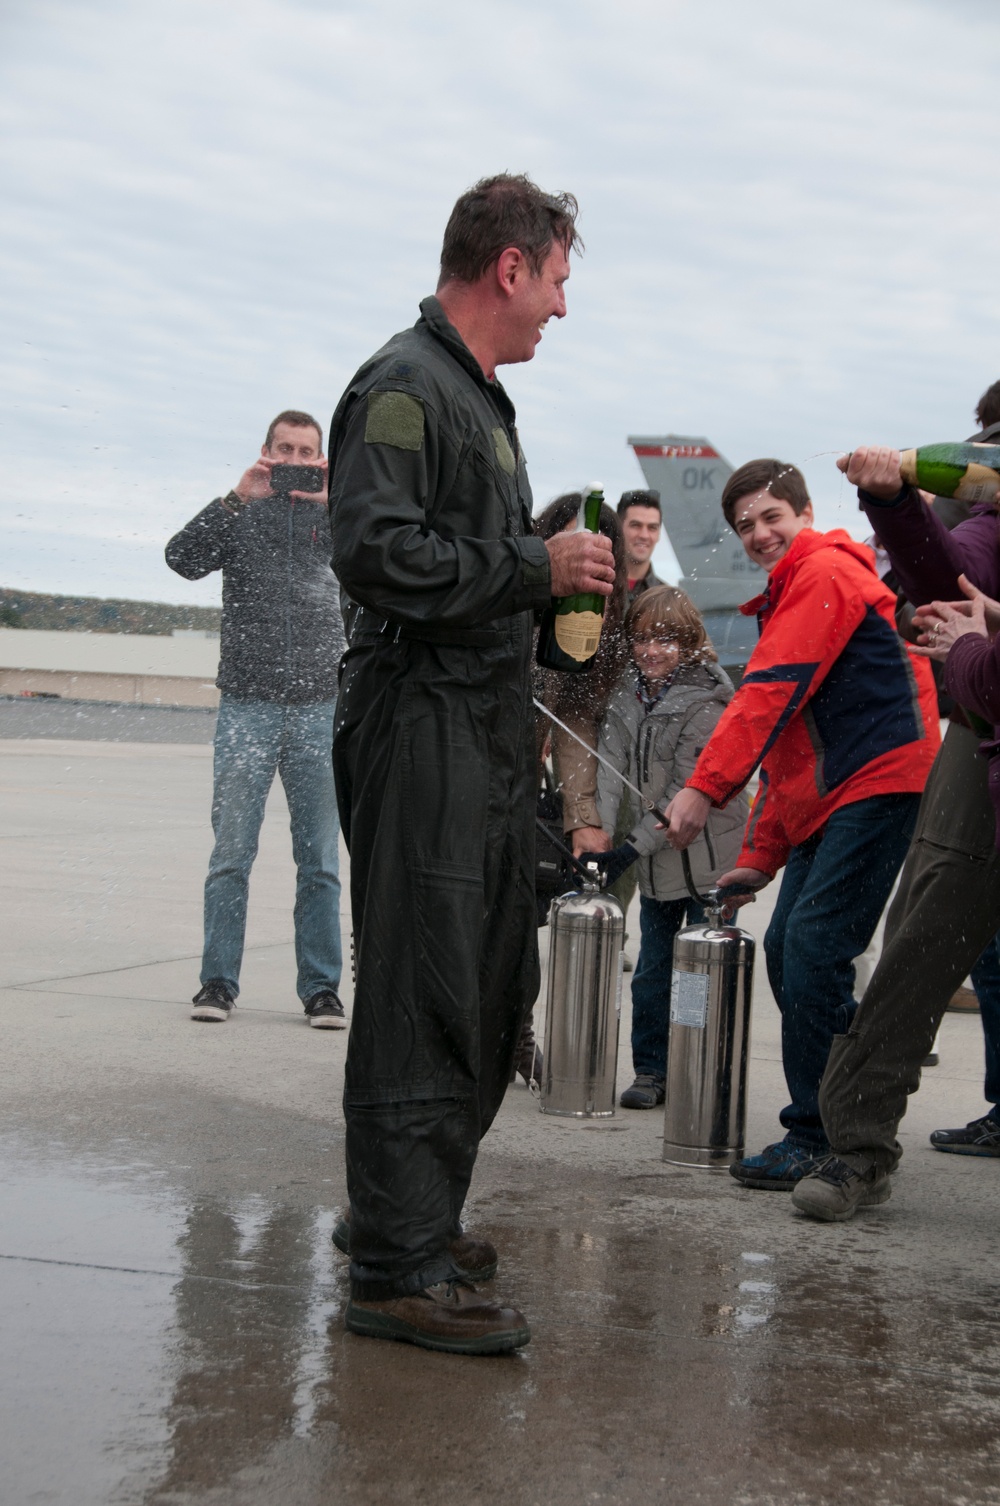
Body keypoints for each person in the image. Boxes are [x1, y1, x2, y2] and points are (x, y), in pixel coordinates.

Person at [328, 174, 615, 1354]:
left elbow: (478, 564)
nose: (560, 306)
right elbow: (376, 551)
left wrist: (553, 603)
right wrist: (531, 569)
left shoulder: (480, 399)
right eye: (556, 280)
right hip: (420, 724)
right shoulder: (404, 387)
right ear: (510, 266)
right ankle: (396, 1269)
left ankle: (414, 1214)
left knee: (491, 980)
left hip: (482, 730)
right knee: (424, 986)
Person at [662, 460, 940, 1189]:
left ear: (805, 513)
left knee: (815, 948)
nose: (758, 534)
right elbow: (792, 748)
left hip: (882, 781)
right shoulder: (787, 593)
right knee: (789, 948)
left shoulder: (823, 574)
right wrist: (762, 852)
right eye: (745, 526)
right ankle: (842, 1109)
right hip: (837, 793)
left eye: (769, 518)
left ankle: (829, 1132)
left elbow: (766, 697)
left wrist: (703, 787)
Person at [792, 403, 1000, 1222]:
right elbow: (945, 578)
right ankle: (857, 1149)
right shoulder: (989, 513)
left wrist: (984, 641)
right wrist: (893, 500)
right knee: (920, 944)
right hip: (984, 735)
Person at [165, 411, 346, 1028]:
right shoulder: (240, 514)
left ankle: (321, 989)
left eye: (307, 450)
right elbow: (182, 559)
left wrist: (339, 501)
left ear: (322, 458)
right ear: (266, 451)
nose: (295, 458)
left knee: (320, 860)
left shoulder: (338, 518)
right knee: (231, 855)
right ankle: (217, 984)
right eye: (285, 448)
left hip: (320, 707)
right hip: (248, 704)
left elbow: (380, 575)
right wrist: (235, 497)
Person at [588, 586, 748, 1108]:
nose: (650, 650)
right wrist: (599, 837)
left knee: (700, 973)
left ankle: (701, 1071)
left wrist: (628, 853)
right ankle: (651, 1071)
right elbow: (609, 773)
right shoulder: (625, 693)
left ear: (689, 641)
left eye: (664, 639)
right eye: (639, 639)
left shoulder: (709, 698)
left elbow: (685, 794)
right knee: (654, 971)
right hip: (658, 867)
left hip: (704, 864)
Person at [617, 489, 664, 600]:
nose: (644, 535)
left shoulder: (667, 601)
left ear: (658, 534)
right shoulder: (596, 587)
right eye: (636, 525)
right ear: (618, 528)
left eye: (652, 528)